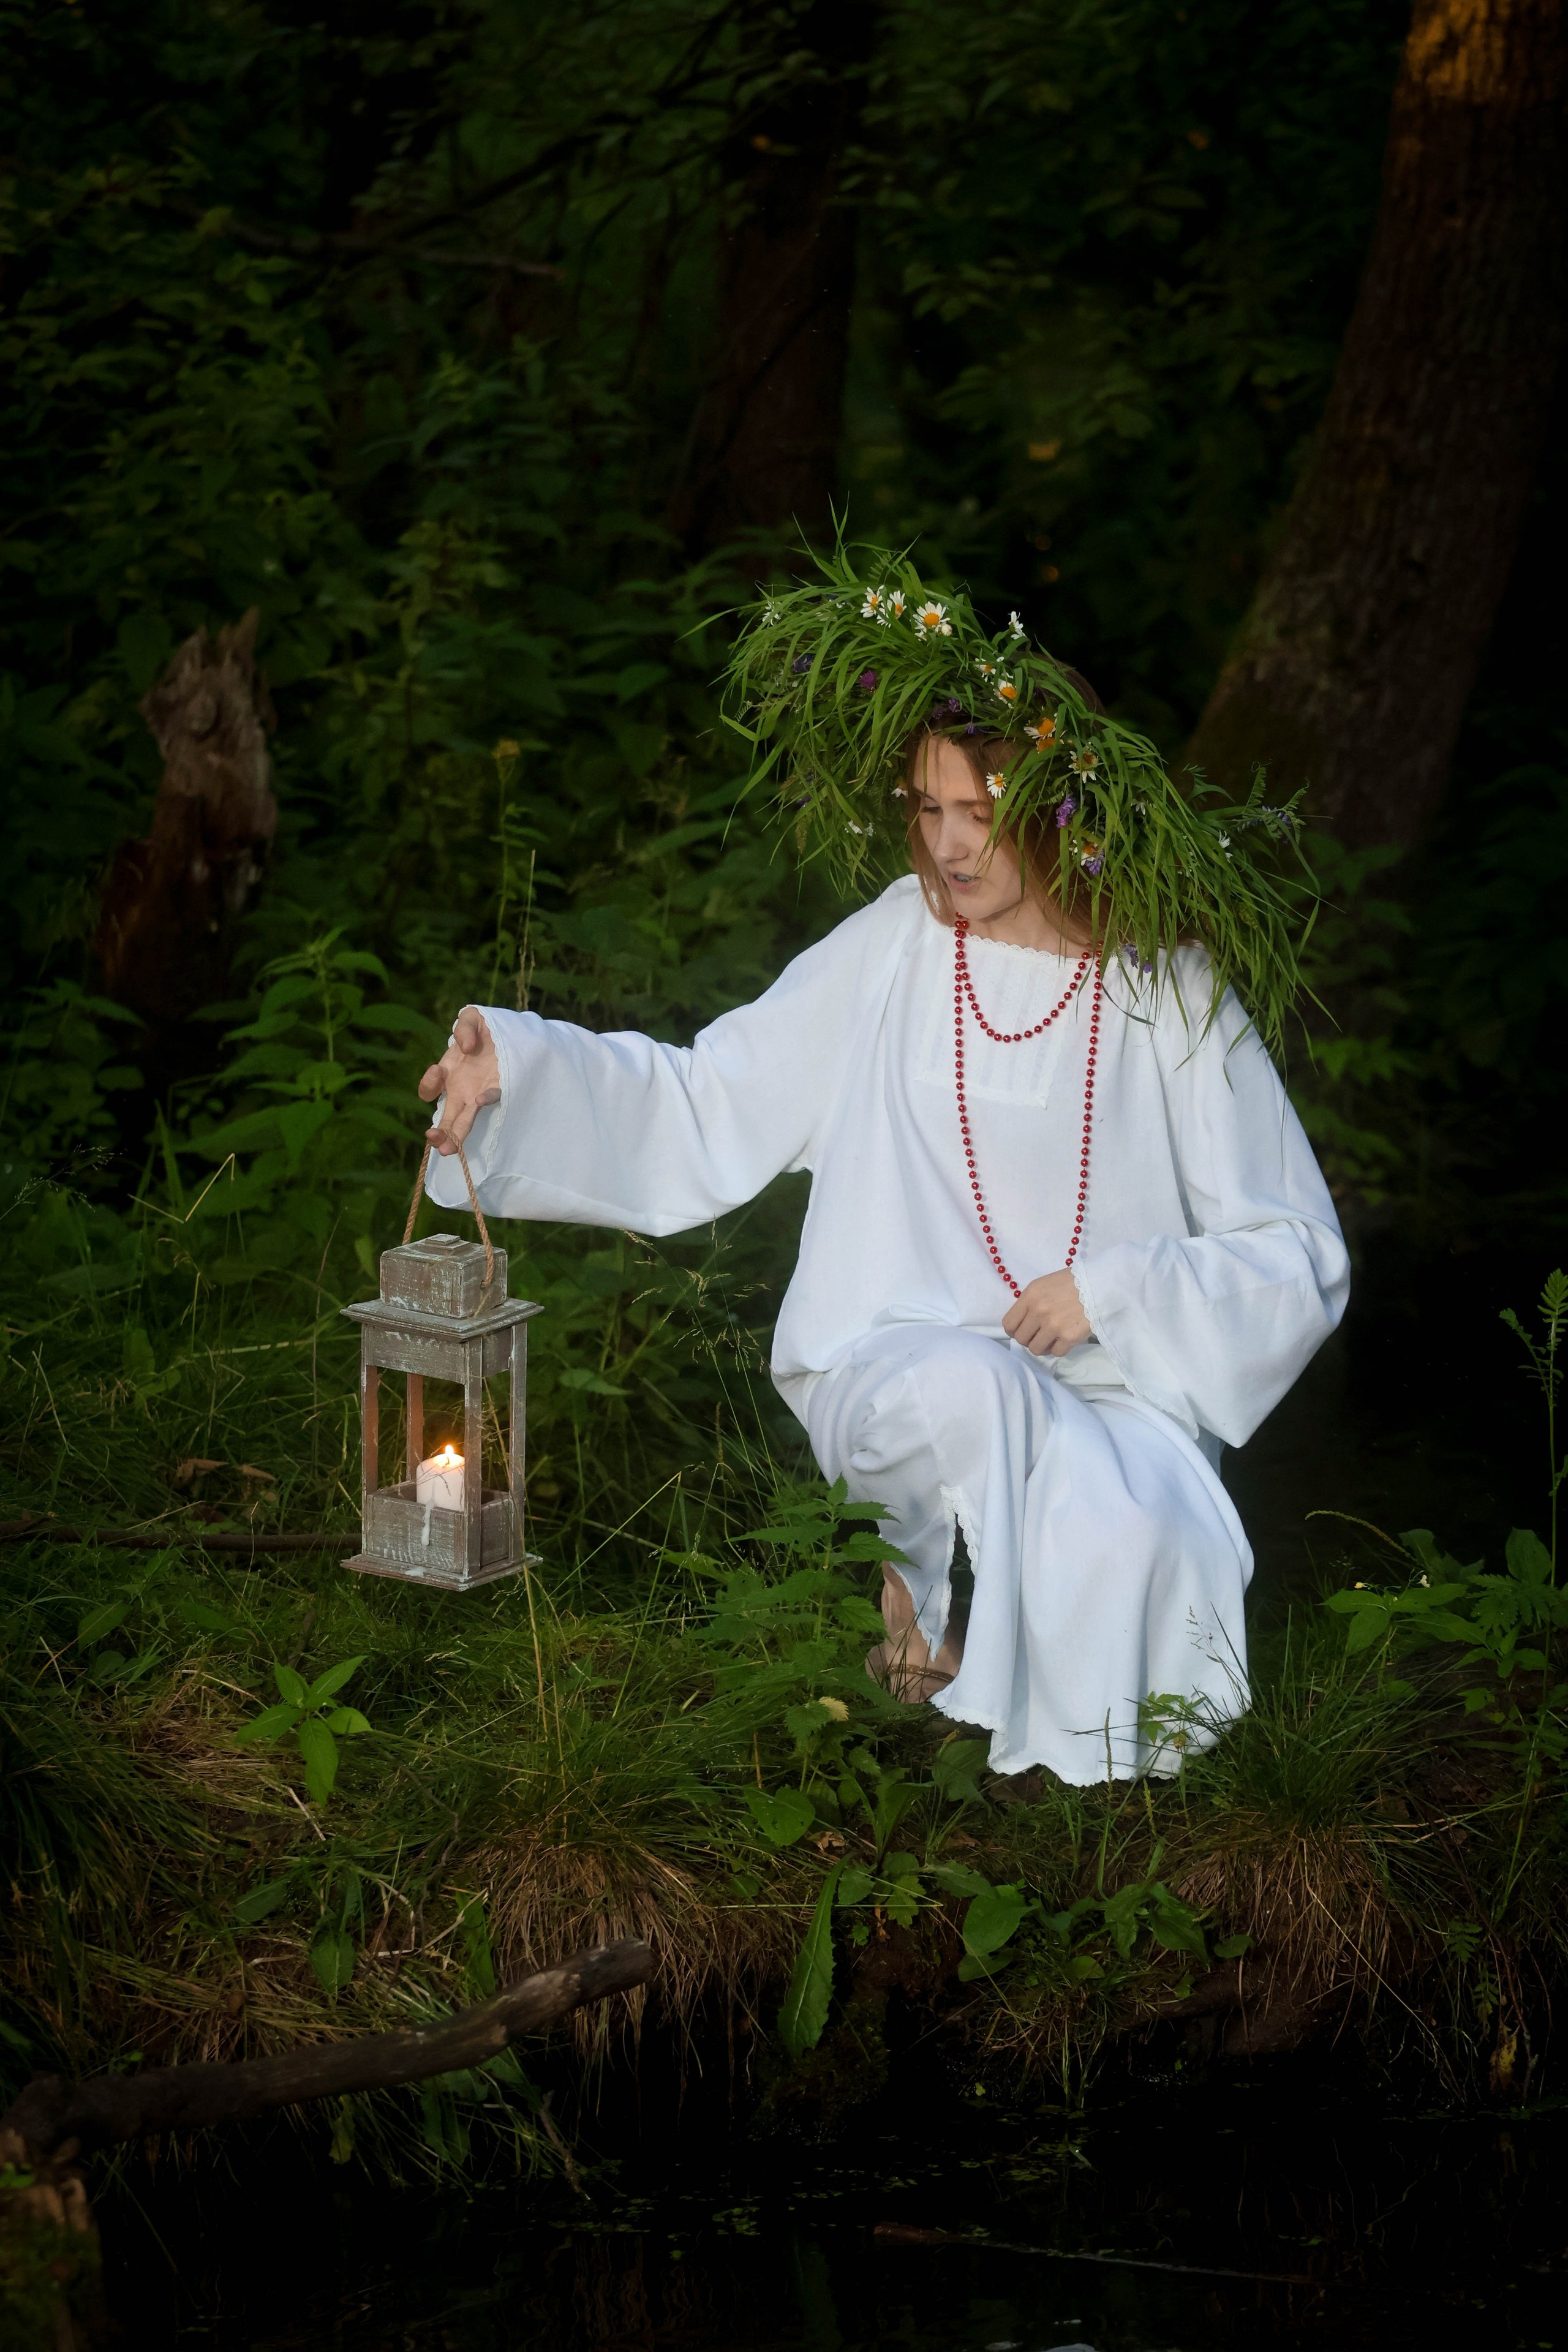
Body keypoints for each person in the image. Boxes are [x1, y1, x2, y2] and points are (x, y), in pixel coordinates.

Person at [416, 548, 1348, 1784]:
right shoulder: (898, 945)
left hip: (1111, 1388)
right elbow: (710, 1096)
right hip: (897, 1360)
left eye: (980, 813)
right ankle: (922, 1619)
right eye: (926, 809)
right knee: (963, 1389)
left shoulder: (1164, 987)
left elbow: (1296, 1252)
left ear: (1060, 808)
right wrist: (520, 1071)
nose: (949, 847)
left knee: (1133, 1537)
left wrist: (1113, 1293)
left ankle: (1034, 1718)